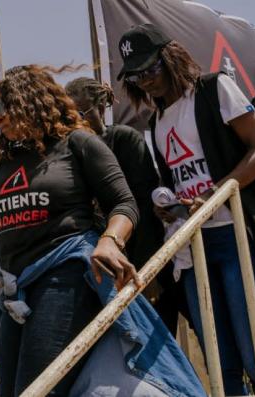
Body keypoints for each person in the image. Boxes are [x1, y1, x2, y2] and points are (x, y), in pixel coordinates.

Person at [0, 64, 204, 397]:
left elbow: (124, 204)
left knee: (36, 390)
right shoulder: (5, 163)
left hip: (66, 276)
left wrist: (110, 241)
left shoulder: (77, 143)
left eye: (3, 107)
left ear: (29, 100)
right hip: (16, 291)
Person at [118, 23, 255, 394]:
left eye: (151, 68)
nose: (146, 81)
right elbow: (180, 182)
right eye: (136, 76)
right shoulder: (157, 122)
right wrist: (171, 207)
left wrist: (215, 194)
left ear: (171, 56)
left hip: (235, 236)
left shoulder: (212, 89)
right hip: (193, 248)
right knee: (220, 364)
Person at [65, 77, 189, 335]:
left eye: (81, 112)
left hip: (143, 267)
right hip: (106, 275)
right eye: (68, 116)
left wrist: (149, 272)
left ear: (100, 108)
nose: (76, 121)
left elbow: (144, 207)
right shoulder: (72, 153)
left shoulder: (124, 140)